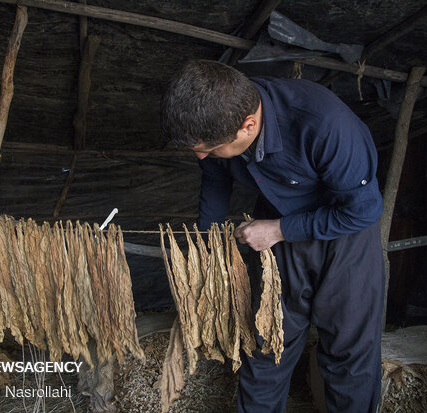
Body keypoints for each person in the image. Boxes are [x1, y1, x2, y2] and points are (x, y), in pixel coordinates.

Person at [160, 59, 384, 413]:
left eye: (209, 148)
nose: (201, 156)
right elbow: (216, 178)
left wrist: (279, 230)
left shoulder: (324, 123)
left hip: (345, 234)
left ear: (248, 126)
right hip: (278, 229)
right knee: (267, 344)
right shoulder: (218, 115)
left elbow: (364, 211)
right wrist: (204, 246)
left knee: (348, 353)